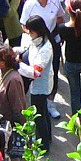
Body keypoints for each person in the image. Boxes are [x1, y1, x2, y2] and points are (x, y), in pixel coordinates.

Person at [0, 44, 35, 161]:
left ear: (3, 62)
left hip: (15, 122)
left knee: (21, 149)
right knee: (10, 148)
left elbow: (18, 107)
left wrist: (20, 128)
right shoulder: (2, 72)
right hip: (5, 119)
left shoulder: (14, 79)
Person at [18, 15, 56, 152]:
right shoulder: (38, 40)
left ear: (36, 31)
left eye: (30, 31)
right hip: (39, 84)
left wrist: (18, 65)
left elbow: (35, 72)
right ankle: (48, 138)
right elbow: (26, 47)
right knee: (44, 112)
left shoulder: (45, 48)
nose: (29, 33)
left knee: (39, 116)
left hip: (41, 86)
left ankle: (43, 145)